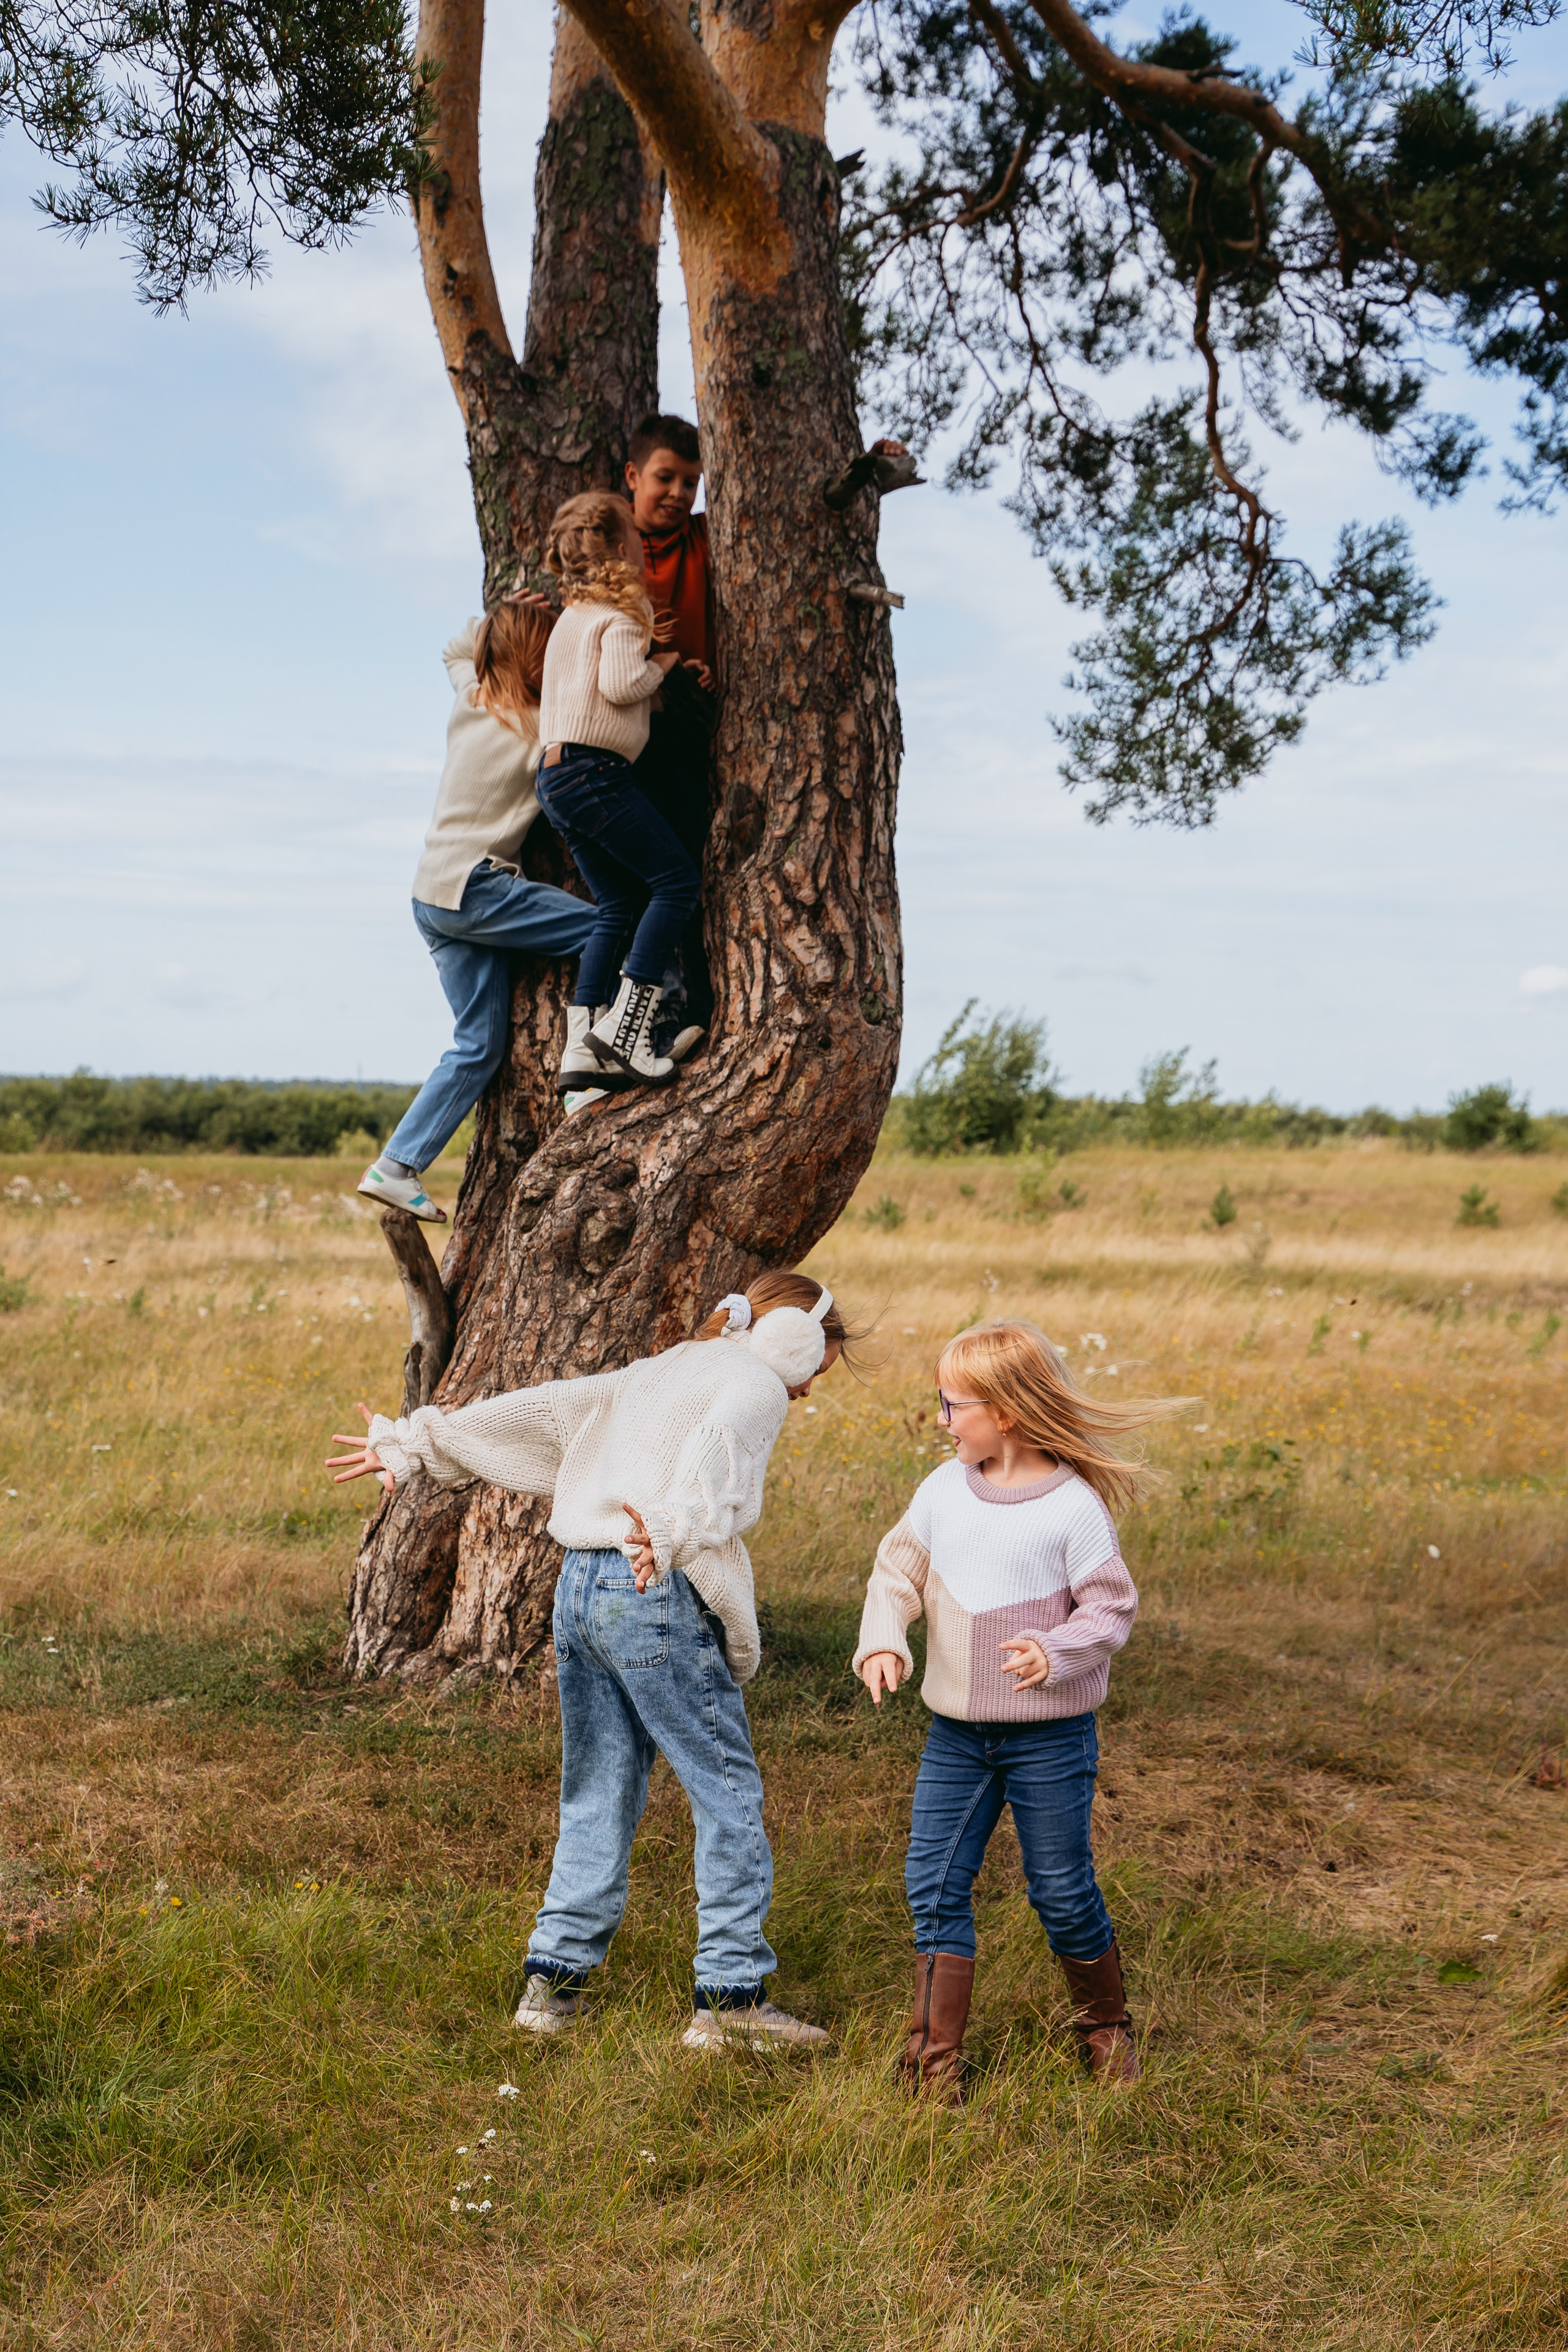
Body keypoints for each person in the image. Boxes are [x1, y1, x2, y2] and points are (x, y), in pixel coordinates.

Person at [325, 1272, 853, 2051]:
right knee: (727, 1793)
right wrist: (668, 1535)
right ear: (795, 1341)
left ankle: (552, 1988)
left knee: (598, 1784)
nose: (809, 1389)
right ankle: (731, 2003)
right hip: (651, 1585)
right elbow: (713, 1482)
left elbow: (547, 1409)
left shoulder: (663, 1367)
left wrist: (414, 1442)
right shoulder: (755, 1387)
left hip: (577, 1588)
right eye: (817, 1369)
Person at [854, 1319, 1189, 2103]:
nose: (941, 1419)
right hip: (957, 1738)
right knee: (932, 1885)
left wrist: (1057, 1652)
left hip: (1050, 1740)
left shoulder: (1071, 1509)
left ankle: (1105, 2031)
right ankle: (933, 2068)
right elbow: (894, 1572)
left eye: (951, 1404)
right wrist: (882, 1638)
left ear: (1003, 1412)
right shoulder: (941, 1491)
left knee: (1061, 1891)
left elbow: (1110, 1611)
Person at [357, 601, 595, 1222]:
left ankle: (396, 1166)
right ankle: (592, 1064)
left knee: (477, 1045)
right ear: (536, 664)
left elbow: (456, 649)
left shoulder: (471, 699)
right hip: (476, 888)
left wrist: (504, 617)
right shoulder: (544, 725)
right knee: (606, 926)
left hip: (431, 894)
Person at [535, 490, 712, 1099]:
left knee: (616, 905)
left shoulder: (572, 619)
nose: (642, 549)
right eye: (634, 542)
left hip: (554, 777)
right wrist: (662, 663)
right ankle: (631, 1032)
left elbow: (592, 692)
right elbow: (619, 685)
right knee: (676, 883)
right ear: (617, 549)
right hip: (594, 772)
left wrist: (657, 687)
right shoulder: (621, 615)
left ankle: (580, 1058)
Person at [624, 413, 717, 1043]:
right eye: (665, 478)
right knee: (641, 881)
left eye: (692, 482)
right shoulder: (610, 548)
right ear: (632, 476)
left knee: (689, 866)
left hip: (687, 730)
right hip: (622, 734)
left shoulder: (704, 538)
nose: (679, 494)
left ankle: (696, 1013)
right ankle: (645, 1018)